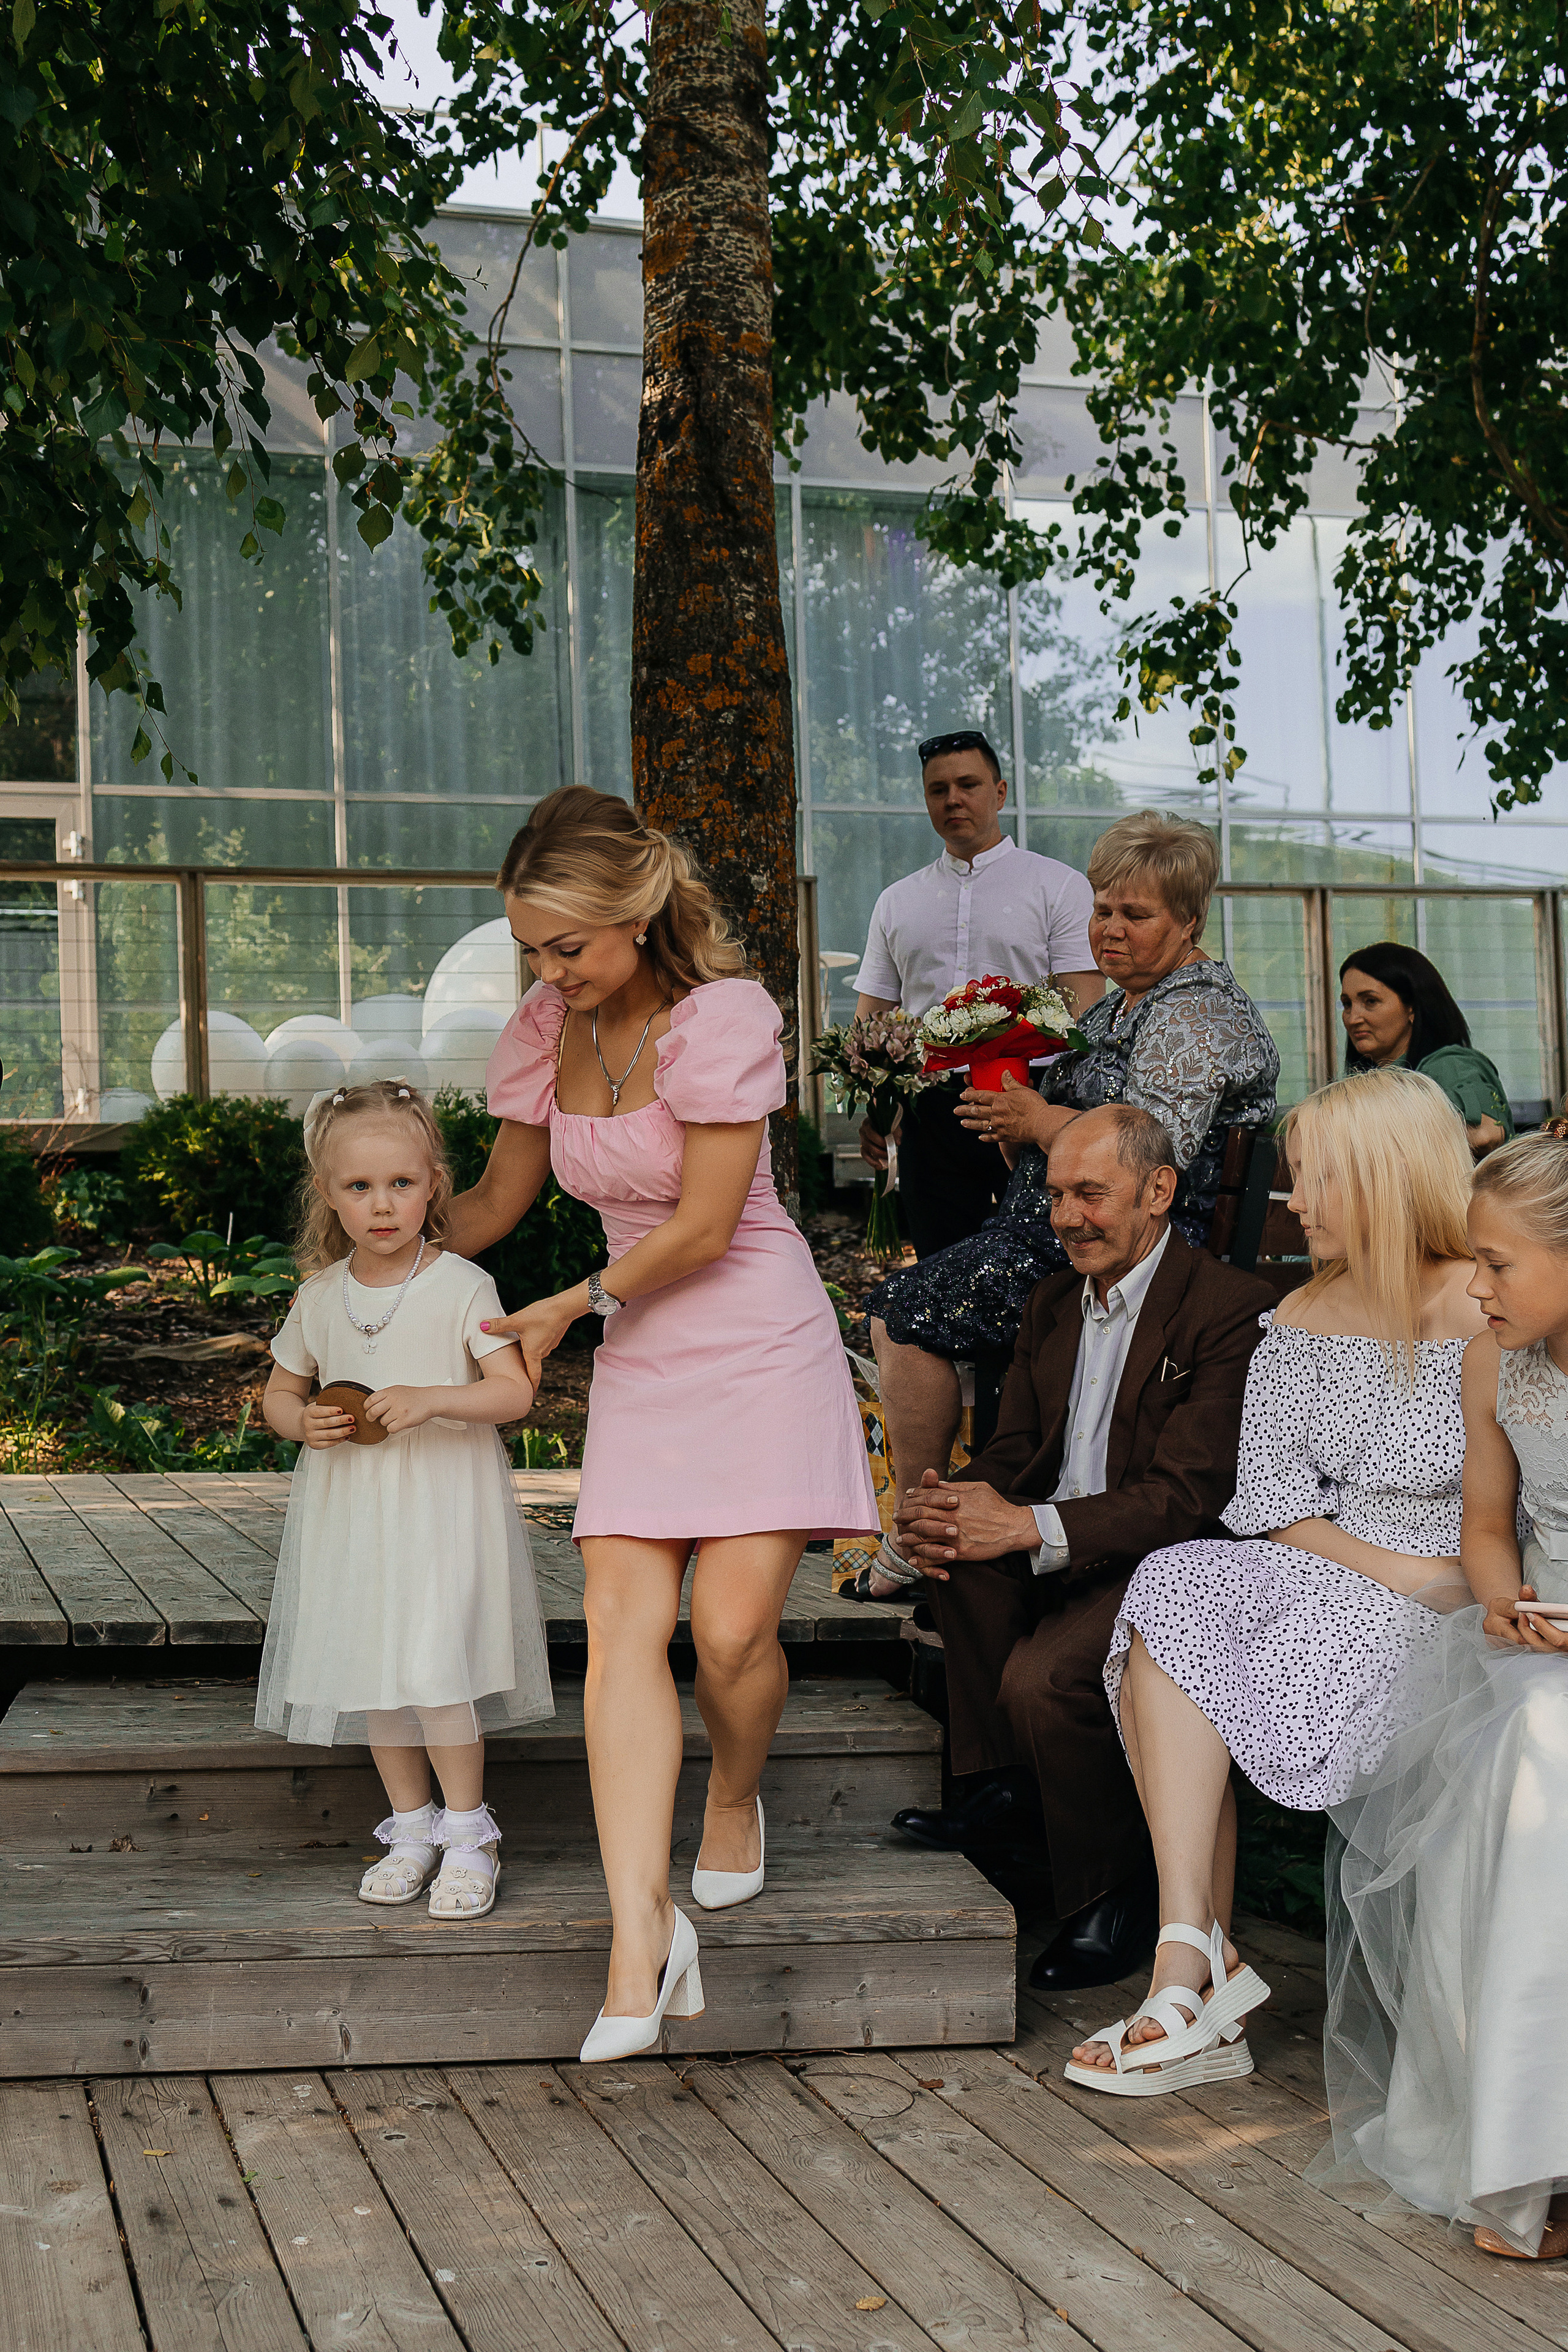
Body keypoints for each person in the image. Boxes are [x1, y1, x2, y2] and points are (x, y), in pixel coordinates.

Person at [445, 786, 878, 2064]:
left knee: (730, 1634)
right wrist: (377, 1241)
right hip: (638, 1338)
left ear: (635, 916)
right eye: (531, 946)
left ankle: (735, 1796)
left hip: (747, 1324)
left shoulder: (723, 1018)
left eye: (567, 946)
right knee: (626, 1630)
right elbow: (495, 1202)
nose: (548, 970)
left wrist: (570, 1309)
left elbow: (700, 1225)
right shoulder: (544, 1029)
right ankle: (640, 1937)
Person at [1067, 1067, 1485, 2096]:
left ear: (1387, 1180)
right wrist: (1394, 1571)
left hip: (1475, 1582)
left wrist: (1447, 1581)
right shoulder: (1300, 1313)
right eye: (1297, 1176)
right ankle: (1191, 1954)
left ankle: (1202, 1980)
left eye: (1318, 1178)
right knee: (1172, 1591)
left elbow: (1523, 1497)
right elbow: (1268, 1496)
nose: (1296, 1200)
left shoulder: (1495, 1300)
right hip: (1341, 1563)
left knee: (1191, 1636)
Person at [888, 1102, 1275, 1990]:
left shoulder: (1227, 1310)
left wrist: (1028, 1526)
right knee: (951, 1559)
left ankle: (1115, 1894)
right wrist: (952, 1504)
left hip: (1164, 1562)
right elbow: (1013, 1453)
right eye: (1057, 1193)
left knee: (1043, 1679)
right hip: (1060, 1542)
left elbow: (1189, 1497)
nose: (1066, 1216)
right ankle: (1010, 1788)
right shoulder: (1055, 1301)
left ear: (1158, 1191)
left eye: (1090, 1194)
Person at [867, 809, 1278, 1570]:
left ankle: (915, 1536)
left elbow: (1153, 1157)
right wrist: (1015, 1124)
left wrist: (1038, 1116)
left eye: (1135, 914)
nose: (1109, 929)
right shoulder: (1121, 1005)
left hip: (1140, 1249)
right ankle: (940, 1526)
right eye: (1101, 909)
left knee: (904, 1314)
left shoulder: (1193, 1015)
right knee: (910, 1307)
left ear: (1188, 921)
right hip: (1066, 1228)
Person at [1318, 1132, 1568, 2260]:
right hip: (1535, 1641)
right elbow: (1483, 1525)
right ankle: (1511, 2157)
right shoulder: (1491, 1362)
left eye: (1500, 1265)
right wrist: (1503, 1598)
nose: (1475, 1285)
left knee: (1540, 1748)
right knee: (1524, 1735)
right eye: (1473, 1260)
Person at [258, 1079, 552, 1921]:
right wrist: (300, 1422)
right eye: (359, 1188)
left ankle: (471, 1833)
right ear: (329, 1195)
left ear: (433, 1183)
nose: (382, 1206)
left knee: (433, 1665)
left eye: (401, 1184)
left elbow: (511, 1395)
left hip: (438, 1511)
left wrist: (432, 1399)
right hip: (354, 1517)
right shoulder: (319, 1297)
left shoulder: (460, 1284)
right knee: (376, 1669)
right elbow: (280, 1393)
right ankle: (412, 1827)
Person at [853, 728, 1100, 1259]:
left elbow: (1085, 1005)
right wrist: (879, 1107)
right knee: (941, 1262)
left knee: (1043, 1260)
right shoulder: (896, 901)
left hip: (1033, 1098)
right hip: (931, 1112)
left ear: (1001, 792)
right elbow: (873, 1020)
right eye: (938, 789)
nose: (953, 799)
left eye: (968, 784)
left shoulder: (1057, 886)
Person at [1341, 940, 1512, 1155]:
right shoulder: (1370, 1080)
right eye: (1347, 1004)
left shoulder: (1450, 1064)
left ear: (1412, 1008)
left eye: (1370, 1001)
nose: (1353, 1018)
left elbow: (1485, 1134)